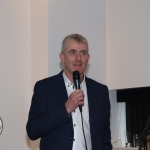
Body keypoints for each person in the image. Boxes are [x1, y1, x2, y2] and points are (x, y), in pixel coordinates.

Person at [26, 34, 112, 150]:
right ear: (62, 57)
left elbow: (105, 137)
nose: (78, 58)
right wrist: (65, 109)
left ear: (88, 58)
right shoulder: (45, 88)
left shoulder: (100, 91)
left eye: (83, 53)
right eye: (72, 52)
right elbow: (33, 130)